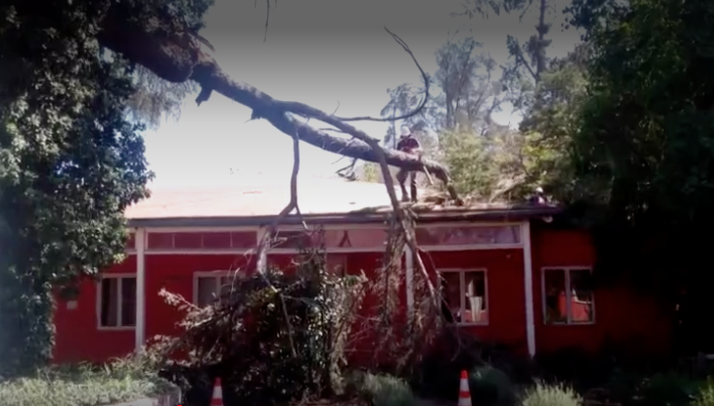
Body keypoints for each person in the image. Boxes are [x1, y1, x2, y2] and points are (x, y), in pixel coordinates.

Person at [395, 126, 422, 202]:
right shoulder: (400, 144)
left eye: (406, 136)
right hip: (405, 163)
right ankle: (405, 195)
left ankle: (414, 198)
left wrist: (414, 150)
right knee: (400, 178)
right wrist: (401, 151)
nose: (405, 138)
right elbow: (396, 153)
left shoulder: (413, 140)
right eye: (404, 137)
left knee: (413, 181)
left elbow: (420, 149)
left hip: (414, 162)